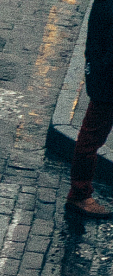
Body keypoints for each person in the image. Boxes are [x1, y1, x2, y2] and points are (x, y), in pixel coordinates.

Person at [73, 0, 113, 217]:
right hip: (107, 80)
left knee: (91, 137)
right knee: (91, 139)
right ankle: (79, 194)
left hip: (102, 74)